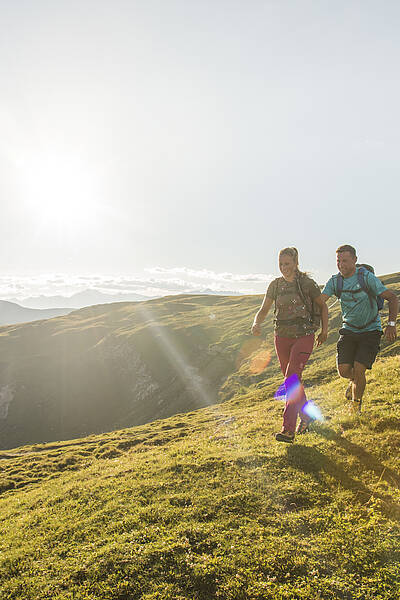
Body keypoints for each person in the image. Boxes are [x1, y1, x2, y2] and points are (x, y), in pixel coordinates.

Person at [252, 247, 328, 443]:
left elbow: (322, 306)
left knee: (291, 379)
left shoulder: (307, 284)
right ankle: (307, 415)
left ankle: (288, 430)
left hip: (304, 335)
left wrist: (324, 331)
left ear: (295, 263)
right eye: (281, 264)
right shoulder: (275, 286)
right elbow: (264, 309)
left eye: (287, 263)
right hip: (281, 337)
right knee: (291, 379)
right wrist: (256, 323)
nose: (284, 268)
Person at [320, 244, 398, 412]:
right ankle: (353, 381)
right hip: (349, 329)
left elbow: (392, 298)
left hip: (370, 330)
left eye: (345, 261)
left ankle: (356, 405)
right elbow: (320, 301)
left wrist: (391, 324)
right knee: (344, 370)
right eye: (338, 261)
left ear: (355, 260)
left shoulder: (366, 277)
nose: (341, 265)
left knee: (360, 368)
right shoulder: (335, 281)